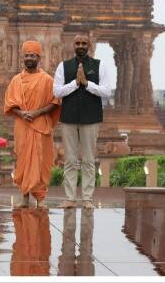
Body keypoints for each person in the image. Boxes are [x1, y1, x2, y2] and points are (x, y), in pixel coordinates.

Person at [53, 34, 112, 209]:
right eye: (78, 43)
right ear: (73, 45)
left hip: (91, 118)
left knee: (88, 160)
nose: (80, 46)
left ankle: (87, 198)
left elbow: (107, 91)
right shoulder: (63, 67)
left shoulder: (99, 66)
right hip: (69, 117)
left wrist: (87, 84)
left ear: (89, 46)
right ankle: (70, 198)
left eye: (83, 43)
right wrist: (75, 83)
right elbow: (56, 91)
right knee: (70, 160)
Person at [4, 40, 61, 208]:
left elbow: (55, 102)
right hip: (22, 125)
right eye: (27, 55)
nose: (29, 58)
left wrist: (37, 112)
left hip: (41, 123)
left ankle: (40, 198)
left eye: (32, 55)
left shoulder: (47, 80)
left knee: (41, 161)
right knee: (23, 161)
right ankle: (25, 197)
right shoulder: (16, 80)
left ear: (39, 57)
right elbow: (9, 104)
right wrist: (21, 113)